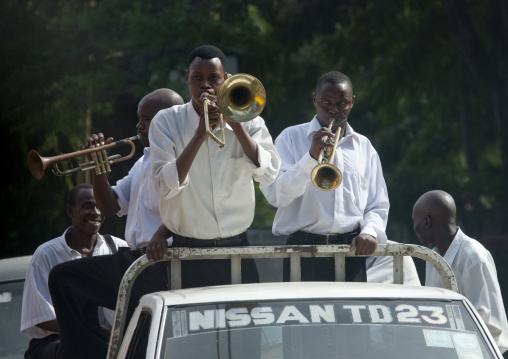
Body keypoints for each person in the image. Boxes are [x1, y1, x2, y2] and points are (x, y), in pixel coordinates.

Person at [48, 89, 184, 359]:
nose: (138, 126)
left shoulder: (180, 158)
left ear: (167, 120)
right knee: (65, 279)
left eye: (146, 119)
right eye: (139, 118)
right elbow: (109, 206)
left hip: (160, 263)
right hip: (134, 260)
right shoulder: (143, 161)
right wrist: (98, 166)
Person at [146, 44, 281, 289]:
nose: (205, 85)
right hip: (187, 252)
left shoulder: (250, 120)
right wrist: (199, 136)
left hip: (237, 247)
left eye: (213, 78)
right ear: (187, 78)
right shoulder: (166, 122)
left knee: (246, 325)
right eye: (197, 77)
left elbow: (270, 174)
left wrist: (236, 124)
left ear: (226, 80)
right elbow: (164, 188)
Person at [260, 71, 390, 282]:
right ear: (314, 99)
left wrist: (370, 231)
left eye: (342, 103)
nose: (333, 110)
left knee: (351, 314)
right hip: (302, 251)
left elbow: (377, 205)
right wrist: (310, 157)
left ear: (352, 102)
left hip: (351, 251)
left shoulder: (364, 147)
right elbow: (276, 196)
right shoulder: (290, 138)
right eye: (326, 102)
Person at [20, 183, 127, 359]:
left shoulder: (118, 248)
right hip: (56, 343)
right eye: (87, 206)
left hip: (106, 342)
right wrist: (91, 331)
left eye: (99, 206)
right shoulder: (46, 255)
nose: (96, 212)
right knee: (82, 347)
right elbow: (40, 317)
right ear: (70, 211)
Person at [412, 190, 508, 353]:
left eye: (415, 221)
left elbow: (486, 323)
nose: (415, 227)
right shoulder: (433, 259)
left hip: (481, 353)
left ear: (427, 222)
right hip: (448, 351)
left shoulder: (473, 256)